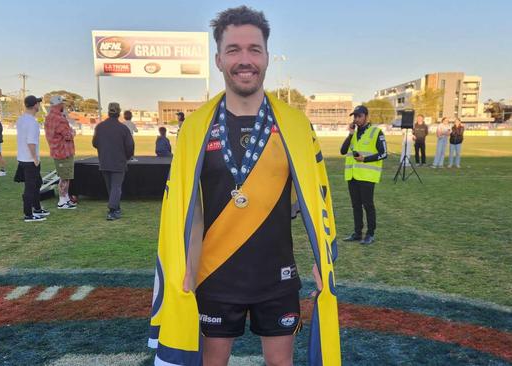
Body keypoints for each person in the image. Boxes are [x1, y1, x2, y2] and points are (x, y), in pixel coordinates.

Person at [149, 6, 340, 366]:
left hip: (277, 276)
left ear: (267, 57)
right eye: (233, 50)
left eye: (254, 49)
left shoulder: (295, 126)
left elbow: (317, 201)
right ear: (219, 59)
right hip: (215, 275)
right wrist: (187, 270)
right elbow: (191, 211)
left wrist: (322, 259)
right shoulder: (195, 129)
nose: (245, 59)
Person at [340, 105, 387, 245]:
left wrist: (365, 159)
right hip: (353, 175)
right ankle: (357, 233)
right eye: (355, 116)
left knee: (368, 205)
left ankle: (370, 234)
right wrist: (349, 134)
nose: (356, 119)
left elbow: (384, 153)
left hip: (367, 176)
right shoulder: (353, 134)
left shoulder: (376, 132)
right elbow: (343, 151)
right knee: (356, 206)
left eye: (359, 116)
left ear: (366, 116)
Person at [92, 102, 134, 220]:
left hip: (105, 160)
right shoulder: (123, 128)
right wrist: (127, 156)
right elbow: (130, 146)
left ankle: (116, 207)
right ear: (119, 112)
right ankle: (113, 210)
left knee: (111, 187)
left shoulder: (100, 127)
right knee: (116, 187)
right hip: (119, 161)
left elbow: (95, 143)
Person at [16, 95, 49, 222]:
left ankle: (37, 208)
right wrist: (35, 158)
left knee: (36, 184)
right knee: (30, 188)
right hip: (30, 160)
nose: (39, 106)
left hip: (23, 158)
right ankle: (28, 214)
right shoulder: (32, 123)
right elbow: (31, 143)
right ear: (35, 105)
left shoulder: (21, 119)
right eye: (38, 103)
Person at [45, 95, 77, 209]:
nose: (64, 105)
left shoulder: (49, 117)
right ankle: (62, 201)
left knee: (64, 176)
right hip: (64, 151)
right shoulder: (59, 118)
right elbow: (68, 136)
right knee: (65, 177)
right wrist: (73, 132)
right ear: (59, 104)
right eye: (63, 103)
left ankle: (66, 198)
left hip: (56, 150)